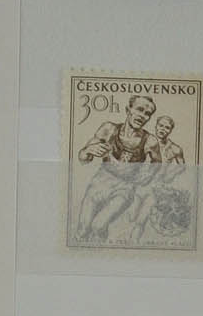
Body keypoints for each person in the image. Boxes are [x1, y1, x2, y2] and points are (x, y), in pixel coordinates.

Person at [73, 92, 157, 243]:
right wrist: (88, 150)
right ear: (128, 109)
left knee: (98, 226)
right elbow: (83, 158)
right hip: (99, 184)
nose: (142, 116)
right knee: (82, 229)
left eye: (147, 114)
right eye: (139, 109)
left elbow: (158, 163)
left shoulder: (150, 141)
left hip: (123, 189)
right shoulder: (109, 129)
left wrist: (146, 175)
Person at [128, 113, 187, 243]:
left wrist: (171, 174)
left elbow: (182, 166)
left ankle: (133, 244)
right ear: (156, 126)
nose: (162, 129)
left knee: (140, 221)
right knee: (131, 217)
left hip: (155, 189)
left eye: (167, 127)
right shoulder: (145, 141)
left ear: (170, 130)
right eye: (161, 125)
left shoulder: (175, 149)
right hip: (139, 186)